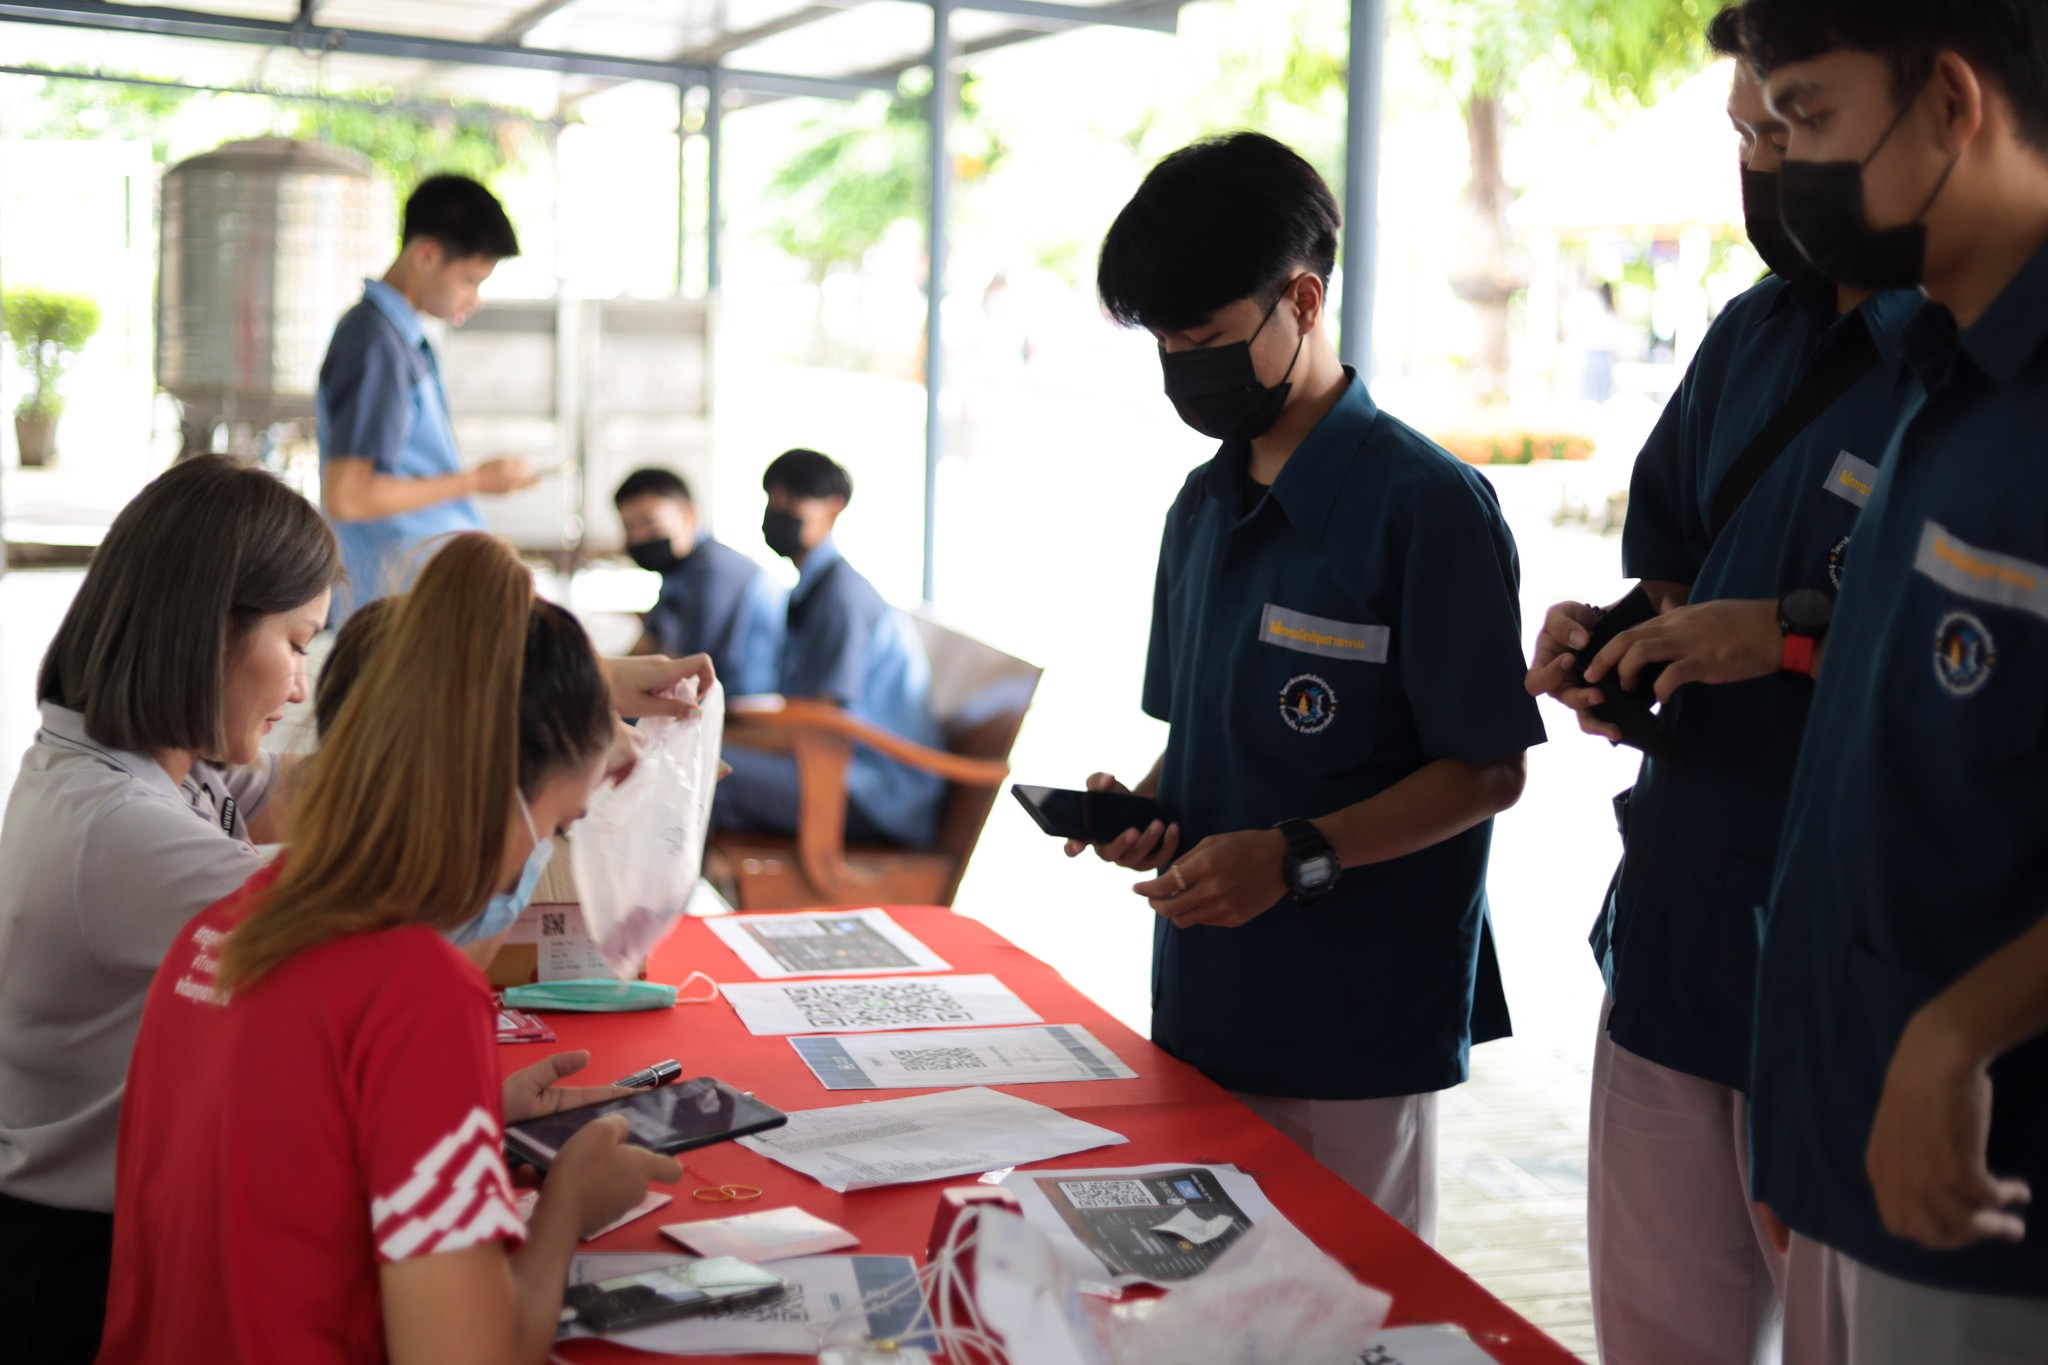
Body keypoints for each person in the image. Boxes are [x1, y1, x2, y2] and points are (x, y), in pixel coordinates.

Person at [1521, 9, 1922, 1361]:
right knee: (1655, 1332)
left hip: (1851, 971)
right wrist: (1616, 641)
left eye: (1796, 126)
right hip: (1681, 925)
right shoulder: (1752, 335)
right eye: (1751, 131)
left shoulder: (1975, 368)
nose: (1768, 163)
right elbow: (1678, 570)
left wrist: (1793, 631)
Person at [1072, 133, 1544, 1243]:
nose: (1183, 367)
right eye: (1164, 345)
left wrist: (1291, 855)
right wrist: (1143, 808)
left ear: (1300, 298)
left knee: (1351, 1311)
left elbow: (1484, 771)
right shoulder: (1200, 508)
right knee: (1209, 1299)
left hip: (1354, 1021)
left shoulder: (1424, 508)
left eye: (1205, 338)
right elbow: (1201, 732)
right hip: (1204, 996)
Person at [96, 533, 683, 1364]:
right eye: (562, 823)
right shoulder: (416, 989)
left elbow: (293, 1145)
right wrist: (567, 1211)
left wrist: (460, 1102)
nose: (547, 854)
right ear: (494, 801)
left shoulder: (232, 921)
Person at [1712, 3, 2048, 1360]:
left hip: (1994, 1191)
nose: (1787, 165)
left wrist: (1957, 1032)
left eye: (1810, 120)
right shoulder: (1936, 368)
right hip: (1856, 1151)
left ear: (1953, 104)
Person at [0, 456, 340, 1365]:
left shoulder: (143, 765)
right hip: (78, 1268)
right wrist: (549, 750)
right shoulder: (121, 829)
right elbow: (383, 889)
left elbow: (314, 784)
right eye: (299, 643)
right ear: (210, 631)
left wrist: (555, 692)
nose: (301, 685)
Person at [318, 173, 537, 625]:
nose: (474, 299)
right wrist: (475, 481)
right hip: (402, 604)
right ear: (426, 256)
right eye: (471, 280)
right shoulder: (374, 344)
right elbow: (348, 495)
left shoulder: (400, 338)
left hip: (422, 591)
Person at [714, 449, 946, 849]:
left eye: (793, 500)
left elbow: (822, 718)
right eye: (772, 498)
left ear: (833, 510)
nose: (777, 511)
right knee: (701, 761)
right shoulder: (812, 590)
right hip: (834, 767)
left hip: (876, 791)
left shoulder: (841, 598)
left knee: (704, 773)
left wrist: (723, 735)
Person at [615, 466, 784, 695]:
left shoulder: (715, 570)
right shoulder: (678, 571)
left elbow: (692, 665)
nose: (638, 537)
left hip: (744, 711)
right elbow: (650, 641)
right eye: (629, 528)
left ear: (689, 515)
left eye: (649, 523)